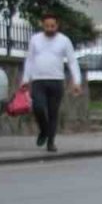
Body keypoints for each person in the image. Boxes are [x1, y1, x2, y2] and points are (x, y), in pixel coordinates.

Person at [21, 13, 82, 152]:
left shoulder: (64, 41)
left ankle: (51, 142)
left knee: (53, 112)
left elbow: (72, 61)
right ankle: (44, 130)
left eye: (52, 26)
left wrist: (76, 81)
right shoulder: (35, 39)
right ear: (43, 25)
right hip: (38, 80)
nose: (50, 29)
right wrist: (25, 79)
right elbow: (29, 60)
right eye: (47, 26)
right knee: (38, 108)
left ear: (57, 26)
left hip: (56, 81)